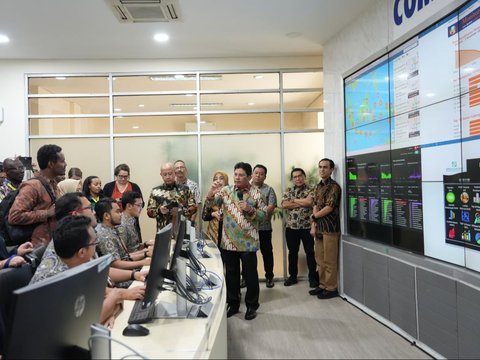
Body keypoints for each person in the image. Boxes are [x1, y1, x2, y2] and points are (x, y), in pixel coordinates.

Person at [30, 215, 141, 328]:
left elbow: (100, 297)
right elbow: (81, 325)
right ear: (82, 252)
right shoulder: (55, 280)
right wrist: (116, 296)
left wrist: (110, 311)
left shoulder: (75, 261)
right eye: (95, 242)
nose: (96, 246)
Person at [31, 191, 148, 286]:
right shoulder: (67, 246)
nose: (94, 212)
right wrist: (119, 295)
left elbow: (99, 270)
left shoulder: (85, 237)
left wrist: (134, 275)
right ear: (75, 214)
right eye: (89, 208)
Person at [204, 162, 266, 321]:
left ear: (249, 177)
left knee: (250, 276)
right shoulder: (226, 191)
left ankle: (252, 305)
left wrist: (250, 209)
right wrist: (210, 193)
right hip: (228, 241)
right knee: (231, 275)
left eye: (241, 175)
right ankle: (233, 303)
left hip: (248, 242)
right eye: (235, 174)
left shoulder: (257, 194)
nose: (237, 178)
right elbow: (211, 205)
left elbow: (264, 216)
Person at [8, 144, 65, 246]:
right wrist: (47, 213)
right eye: (62, 161)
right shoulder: (33, 186)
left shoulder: (53, 184)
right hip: (35, 247)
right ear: (51, 164)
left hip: (51, 243)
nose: (65, 164)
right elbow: (14, 216)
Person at [309, 158, 342, 299]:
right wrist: (313, 225)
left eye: (325, 167)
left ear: (331, 170)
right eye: (320, 167)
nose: (322, 169)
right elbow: (315, 204)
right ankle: (322, 285)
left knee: (329, 260)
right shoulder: (318, 186)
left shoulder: (334, 187)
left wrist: (314, 217)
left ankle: (331, 288)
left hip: (330, 228)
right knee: (319, 259)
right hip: (319, 228)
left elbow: (329, 207)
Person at [281, 167, 318, 288]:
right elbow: (284, 204)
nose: (298, 179)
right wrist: (303, 201)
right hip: (291, 228)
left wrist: (294, 200)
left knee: (310, 252)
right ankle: (293, 277)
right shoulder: (288, 190)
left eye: (300, 176)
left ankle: (312, 277)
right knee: (292, 253)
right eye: (295, 177)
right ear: (292, 179)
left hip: (307, 227)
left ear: (304, 177)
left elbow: (310, 203)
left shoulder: (312, 189)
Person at [95, 197, 151, 272]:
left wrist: (146, 253)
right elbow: (116, 264)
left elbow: (126, 256)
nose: (121, 214)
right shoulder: (105, 235)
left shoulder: (111, 229)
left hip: (128, 270)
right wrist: (142, 262)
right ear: (106, 216)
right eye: (117, 212)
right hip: (122, 278)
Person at [147, 162, 197, 232]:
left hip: (182, 230)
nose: (168, 177)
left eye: (170, 174)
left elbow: (194, 208)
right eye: (165, 174)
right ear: (161, 175)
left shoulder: (185, 189)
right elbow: (149, 212)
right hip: (163, 231)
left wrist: (181, 211)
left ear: (174, 173)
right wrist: (159, 211)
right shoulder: (155, 191)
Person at [251, 164, 277, 288]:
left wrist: (255, 213)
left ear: (265, 176)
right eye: (256, 173)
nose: (258, 175)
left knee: (267, 253)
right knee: (248, 255)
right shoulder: (245, 189)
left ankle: (269, 277)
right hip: (248, 229)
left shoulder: (269, 189)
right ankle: (246, 278)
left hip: (264, 227)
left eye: (261, 174)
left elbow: (271, 206)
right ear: (252, 174)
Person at [202, 171, 229, 245]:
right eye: (215, 179)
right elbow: (204, 217)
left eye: (221, 178)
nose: (218, 181)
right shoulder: (210, 195)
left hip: (227, 234)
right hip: (213, 233)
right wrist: (213, 214)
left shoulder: (231, 194)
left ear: (226, 181)